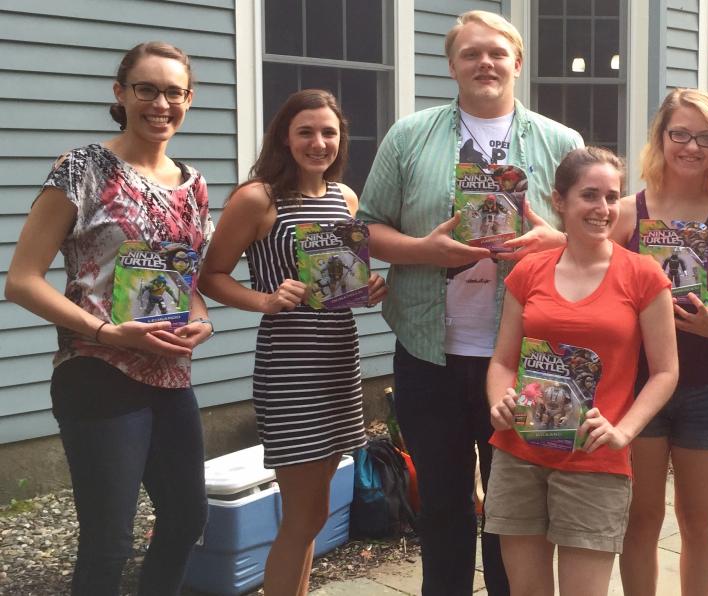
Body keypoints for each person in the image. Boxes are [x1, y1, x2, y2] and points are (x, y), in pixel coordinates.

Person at [357, 10, 582, 595]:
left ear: (517, 62)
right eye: (471, 53)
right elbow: (367, 229)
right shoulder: (410, 136)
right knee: (444, 505)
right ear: (452, 65)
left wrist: (558, 240)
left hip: (526, 356)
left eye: (497, 53)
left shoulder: (562, 143)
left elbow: (595, 237)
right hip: (430, 355)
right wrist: (425, 250)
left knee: (514, 513)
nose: (485, 62)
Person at [4, 42, 212, 594]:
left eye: (173, 91)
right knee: (110, 541)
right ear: (120, 95)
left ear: (189, 99)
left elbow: (184, 281)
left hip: (170, 372)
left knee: (188, 520)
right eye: (146, 89)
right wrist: (104, 330)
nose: (160, 103)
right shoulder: (84, 168)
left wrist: (202, 319)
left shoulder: (192, 185)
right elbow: (21, 280)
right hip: (96, 368)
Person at [198, 89, 386, 596]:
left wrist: (367, 291)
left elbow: (341, 285)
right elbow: (210, 274)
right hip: (291, 369)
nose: (318, 142)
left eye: (329, 132)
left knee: (316, 514)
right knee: (302, 517)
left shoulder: (344, 198)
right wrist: (265, 299)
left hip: (339, 363)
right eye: (306, 131)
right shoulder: (258, 197)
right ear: (285, 136)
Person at [485, 147, 679, 596]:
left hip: (595, 460)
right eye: (589, 195)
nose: (603, 209)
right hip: (520, 454)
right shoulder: (529, 271)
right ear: (560, 201)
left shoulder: (644, 275)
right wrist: (499, 400)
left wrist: (624, 432)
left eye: (612, 197)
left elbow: (666, 371)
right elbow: (502, 361)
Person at [613, 89, 708, 595]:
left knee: (699, 520)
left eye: (706, 137)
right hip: (639, 385)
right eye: (680, 134)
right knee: (641, 518)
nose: (691, 147)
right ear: (661, 138)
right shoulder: (625, 214)